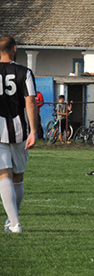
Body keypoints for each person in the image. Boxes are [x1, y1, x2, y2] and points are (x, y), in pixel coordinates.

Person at [0, 35, 37, 233]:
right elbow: (30, 101)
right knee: (17, 177)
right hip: (19, 129)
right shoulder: (25, 72)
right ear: (14, 49)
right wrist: (33, 130)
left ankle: (13, 223)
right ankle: (12, 221)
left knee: (3, 175)